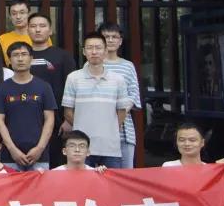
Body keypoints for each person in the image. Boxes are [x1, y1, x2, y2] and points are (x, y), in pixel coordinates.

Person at [62, 33, 132, 169]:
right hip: (81, 147)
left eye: (98, 48)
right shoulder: (73, 78)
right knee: (82, 182)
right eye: (89, 48)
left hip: (110, 147)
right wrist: (82, 126)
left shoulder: (118, 79)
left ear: (105, 51)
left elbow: (122, 112)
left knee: (111, 182)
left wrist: (109, 127)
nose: (94, 52)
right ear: (84, 51)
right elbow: (68, 112)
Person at [0, 41, 57, 172]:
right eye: (15, 55)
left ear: (31, 58)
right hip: (10, 155)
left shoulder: (44, 87)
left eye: (24, 54)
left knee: (40, 186)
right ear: (9, 60)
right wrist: (12, 149)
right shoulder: (3, 88)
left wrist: (39, 148)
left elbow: (50, 120)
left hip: (39, 155)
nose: (20, 58)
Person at [26, 12, 77, 166]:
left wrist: (69, 120)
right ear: (27, 30)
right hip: (29, 120)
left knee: (56, 166)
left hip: (58, 122)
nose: (37, 30)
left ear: (50, 30)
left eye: (42, 26)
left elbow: (72, 89)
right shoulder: (21, 56)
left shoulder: (63, 56)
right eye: (33, 26)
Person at [99, 22, 142, 169]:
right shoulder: (91, 65)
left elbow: (133, 95)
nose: (110, 40)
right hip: (98, 130)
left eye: (114, 37)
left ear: (120, 41)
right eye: (106, 37)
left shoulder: (128, 66)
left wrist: (118, 114)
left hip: (124, 131)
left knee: (125, 174)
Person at [0, 0, 50, 64]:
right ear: (10, 16)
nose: (18, 17)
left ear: (29, 14)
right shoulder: (2, 39)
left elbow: (48, 60)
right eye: (14, 13)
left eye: (22, 13)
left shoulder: (40, 36)